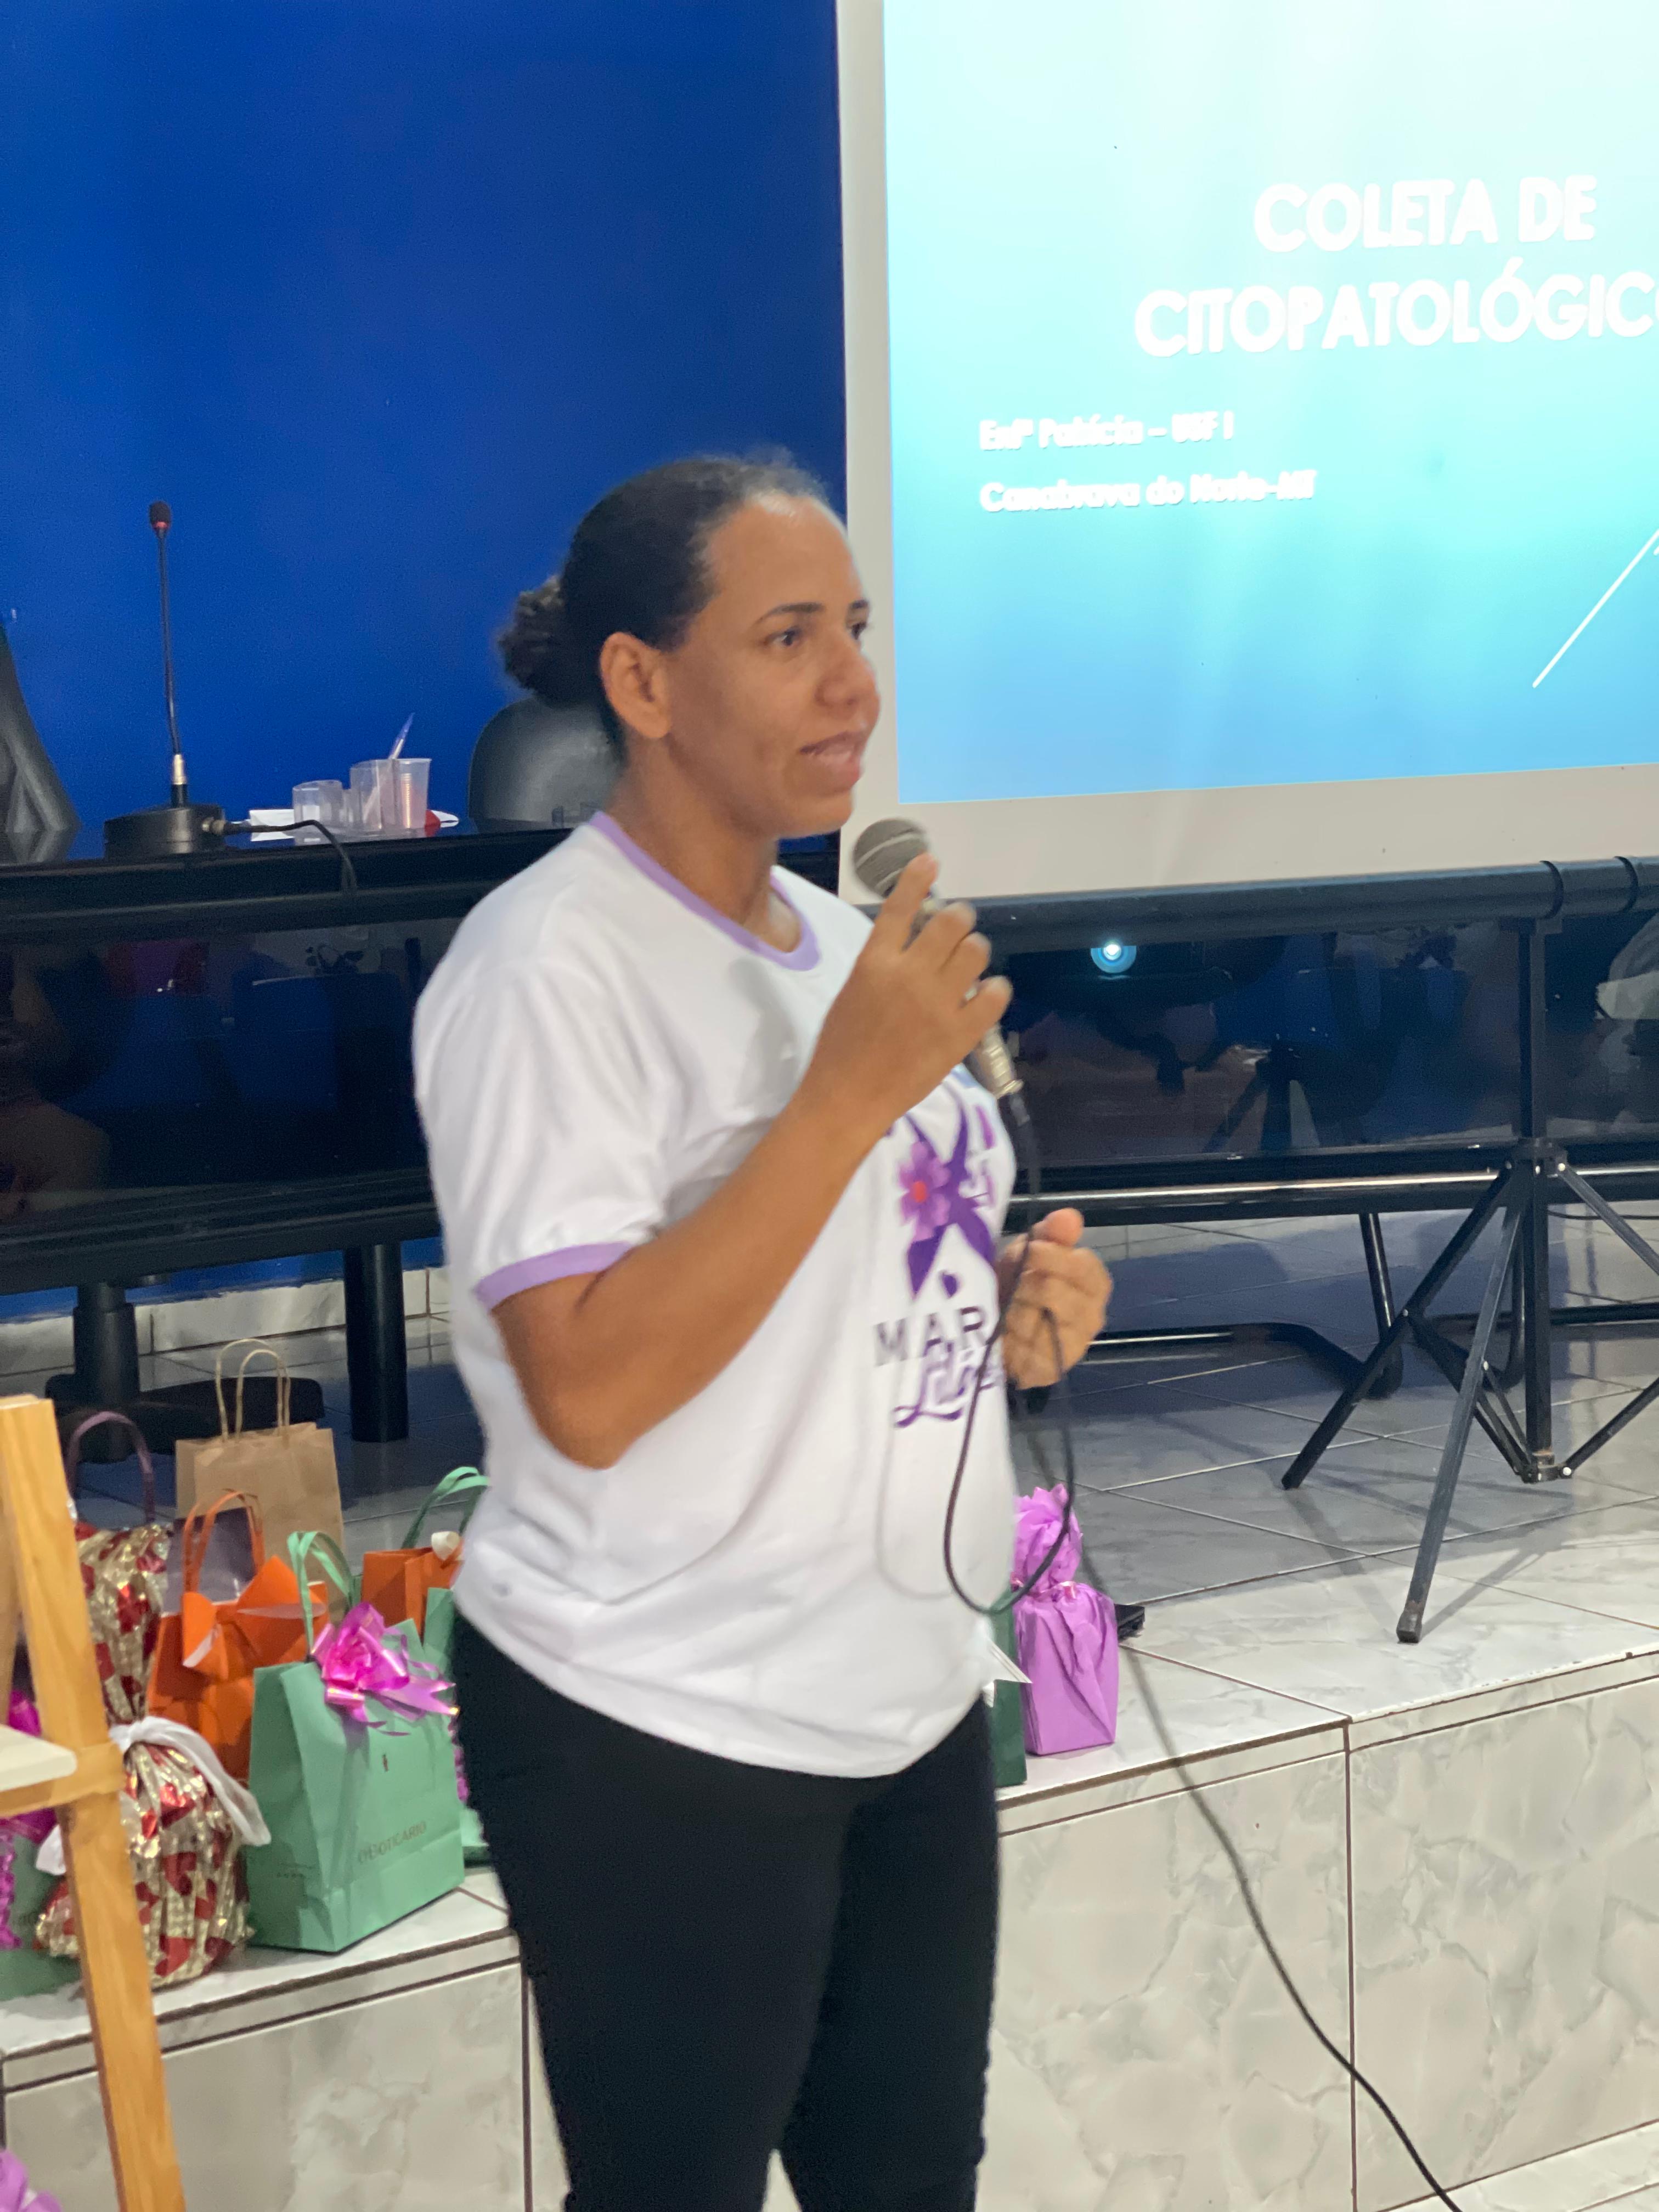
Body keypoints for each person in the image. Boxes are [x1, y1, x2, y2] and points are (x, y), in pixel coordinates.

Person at [414, 455, 1110, 2212]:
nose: (852, 687)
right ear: (641, 683)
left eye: (856, 630)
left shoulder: (848, 946)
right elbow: (587, 1386)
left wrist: (1008, 1312)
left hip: (907, 1699)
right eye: (789, 637)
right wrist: (843, 1095)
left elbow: (849, 1271)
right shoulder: (543, 971)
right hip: (662, 1719)